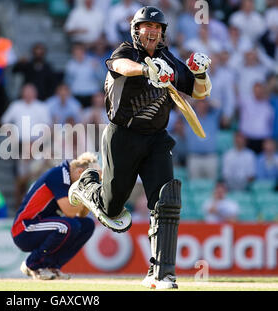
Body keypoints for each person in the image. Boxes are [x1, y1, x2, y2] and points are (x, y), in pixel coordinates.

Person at [68, 6, 212, 289]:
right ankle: (86, 185)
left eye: (157, 29)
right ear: (136, 30)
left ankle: (161, 273)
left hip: (156, 138)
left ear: (162, 33)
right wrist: (146, 68)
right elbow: (120, 67)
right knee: (112, 210)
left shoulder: (167, 58)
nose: (152, 32)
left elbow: (197, 91)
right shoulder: (127, 53)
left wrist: (201, 73)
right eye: (147, 27)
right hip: (122, 136)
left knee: (166, 200)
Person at [12, 152, 97, 280]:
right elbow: (69, 212)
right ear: (80, 172)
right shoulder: (61, 174)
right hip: (24, 228)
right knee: (68, 226)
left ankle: (52, 266)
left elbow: (82, 214)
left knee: (87, 225)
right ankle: (33, 264)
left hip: (41, 225)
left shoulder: (70, 179)